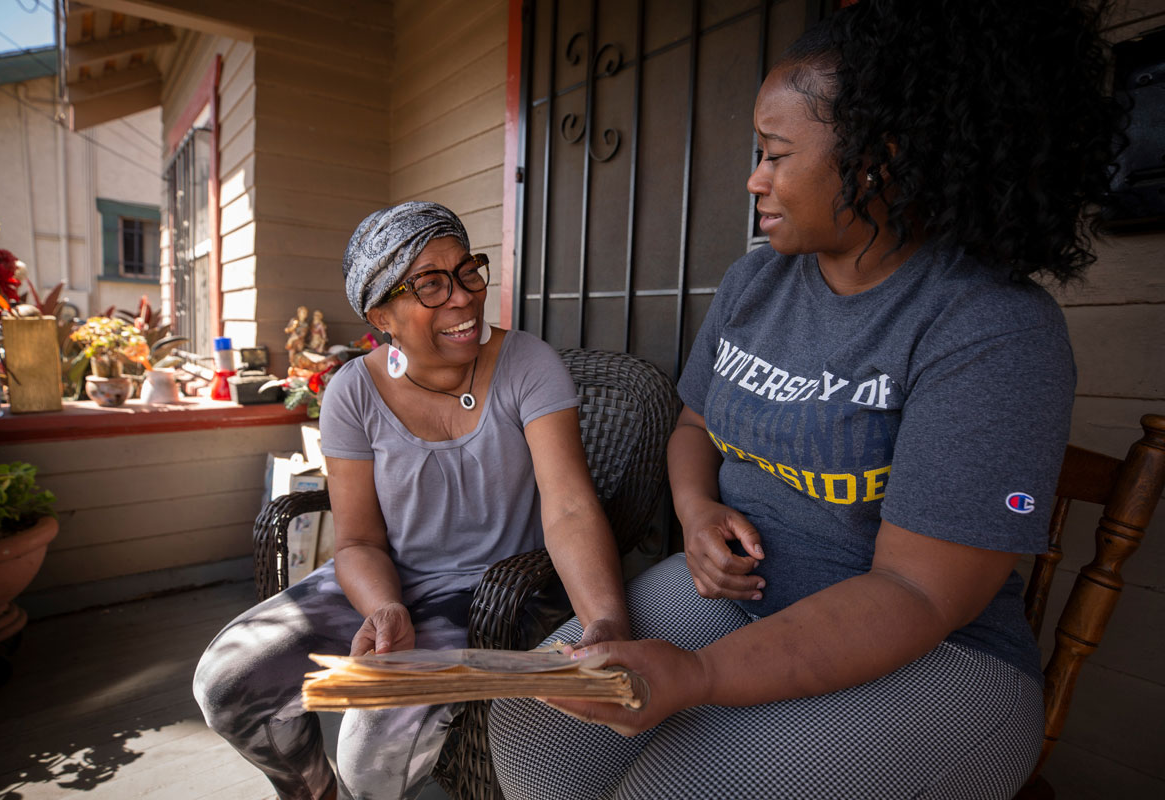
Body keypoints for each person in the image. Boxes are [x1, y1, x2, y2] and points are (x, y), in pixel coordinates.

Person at [487, 2, 1123, 798]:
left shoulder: (989, 329)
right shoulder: (759, 282)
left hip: (938, 657)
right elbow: (694, 425)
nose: (754, 178)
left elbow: (918, 593)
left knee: (674, 788)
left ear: (878, 158)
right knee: (535, 722)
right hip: (736, 596)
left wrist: (698, 676)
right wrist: (693, 511)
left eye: (775, 153)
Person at [193, 201, 630, 800]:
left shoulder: (527, 364)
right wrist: (383, 609)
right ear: (382, 317)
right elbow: (358, 540)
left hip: (497, 595)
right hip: (390, 578)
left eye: (467, 271)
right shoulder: (352, 392)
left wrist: (607, 623)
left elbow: (570, 508)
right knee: (227, 681)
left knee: (371, 749)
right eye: (430, 283)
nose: (463, 297)